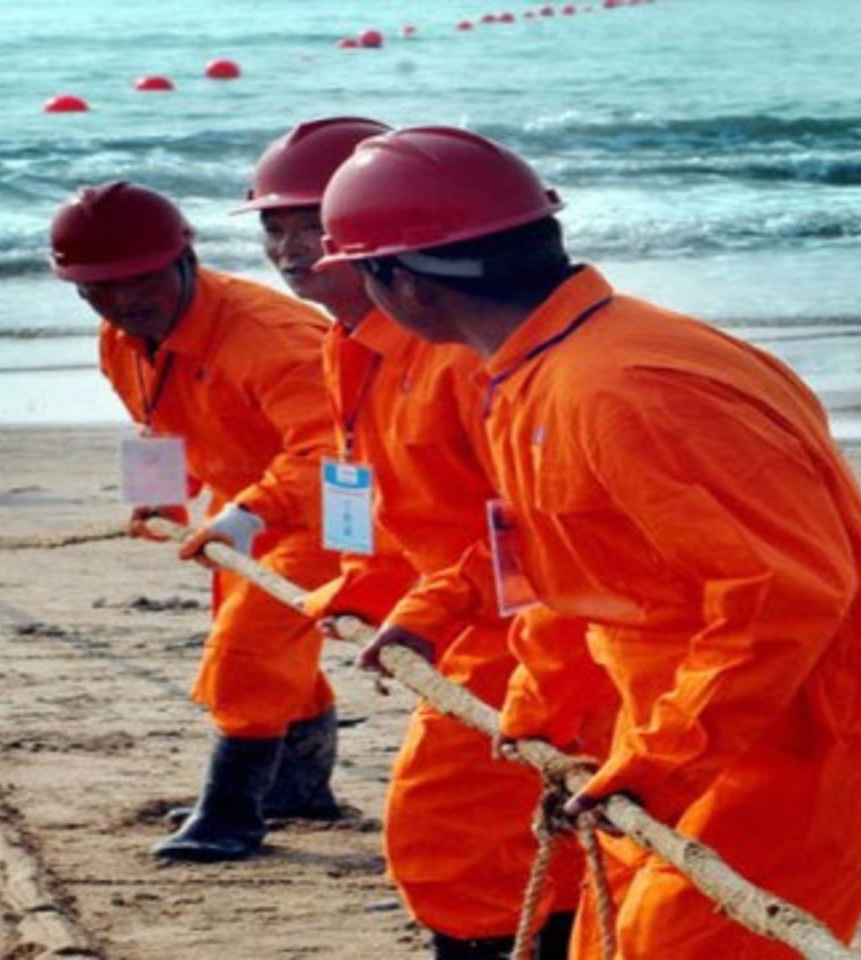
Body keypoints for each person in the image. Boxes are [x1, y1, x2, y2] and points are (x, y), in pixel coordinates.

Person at [315, 124, 861, 957]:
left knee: (680, 946)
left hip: (800, 732)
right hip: (674, 716)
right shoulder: (533, 374)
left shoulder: (627, 389)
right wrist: (545, 708)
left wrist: (665, 761)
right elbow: (566, 568)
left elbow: (782, 596)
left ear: (402, 285)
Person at [244, 117, 587, 959]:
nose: (290, 250)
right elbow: (383, 493)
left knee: (454, 830)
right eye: (273, 227)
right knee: (485, 837)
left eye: (312, 227)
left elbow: (534, 523)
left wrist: (433, 607)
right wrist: (366, 584)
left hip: (530, 620)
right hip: (461, 610)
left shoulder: (461, 351)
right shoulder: (351, 343)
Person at [49, 180, 342, 862]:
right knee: (262, 643)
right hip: (247, 509)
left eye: (142, 278)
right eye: (101, 287)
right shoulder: (122, 339)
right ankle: (297, 787)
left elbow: (336, 451)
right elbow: (159, 418)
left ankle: (232, 814)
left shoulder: (273, 338)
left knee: (247, 650)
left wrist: (254, 512)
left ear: (183, 259)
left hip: (337, 511)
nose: (125, 300)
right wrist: (162, 494)